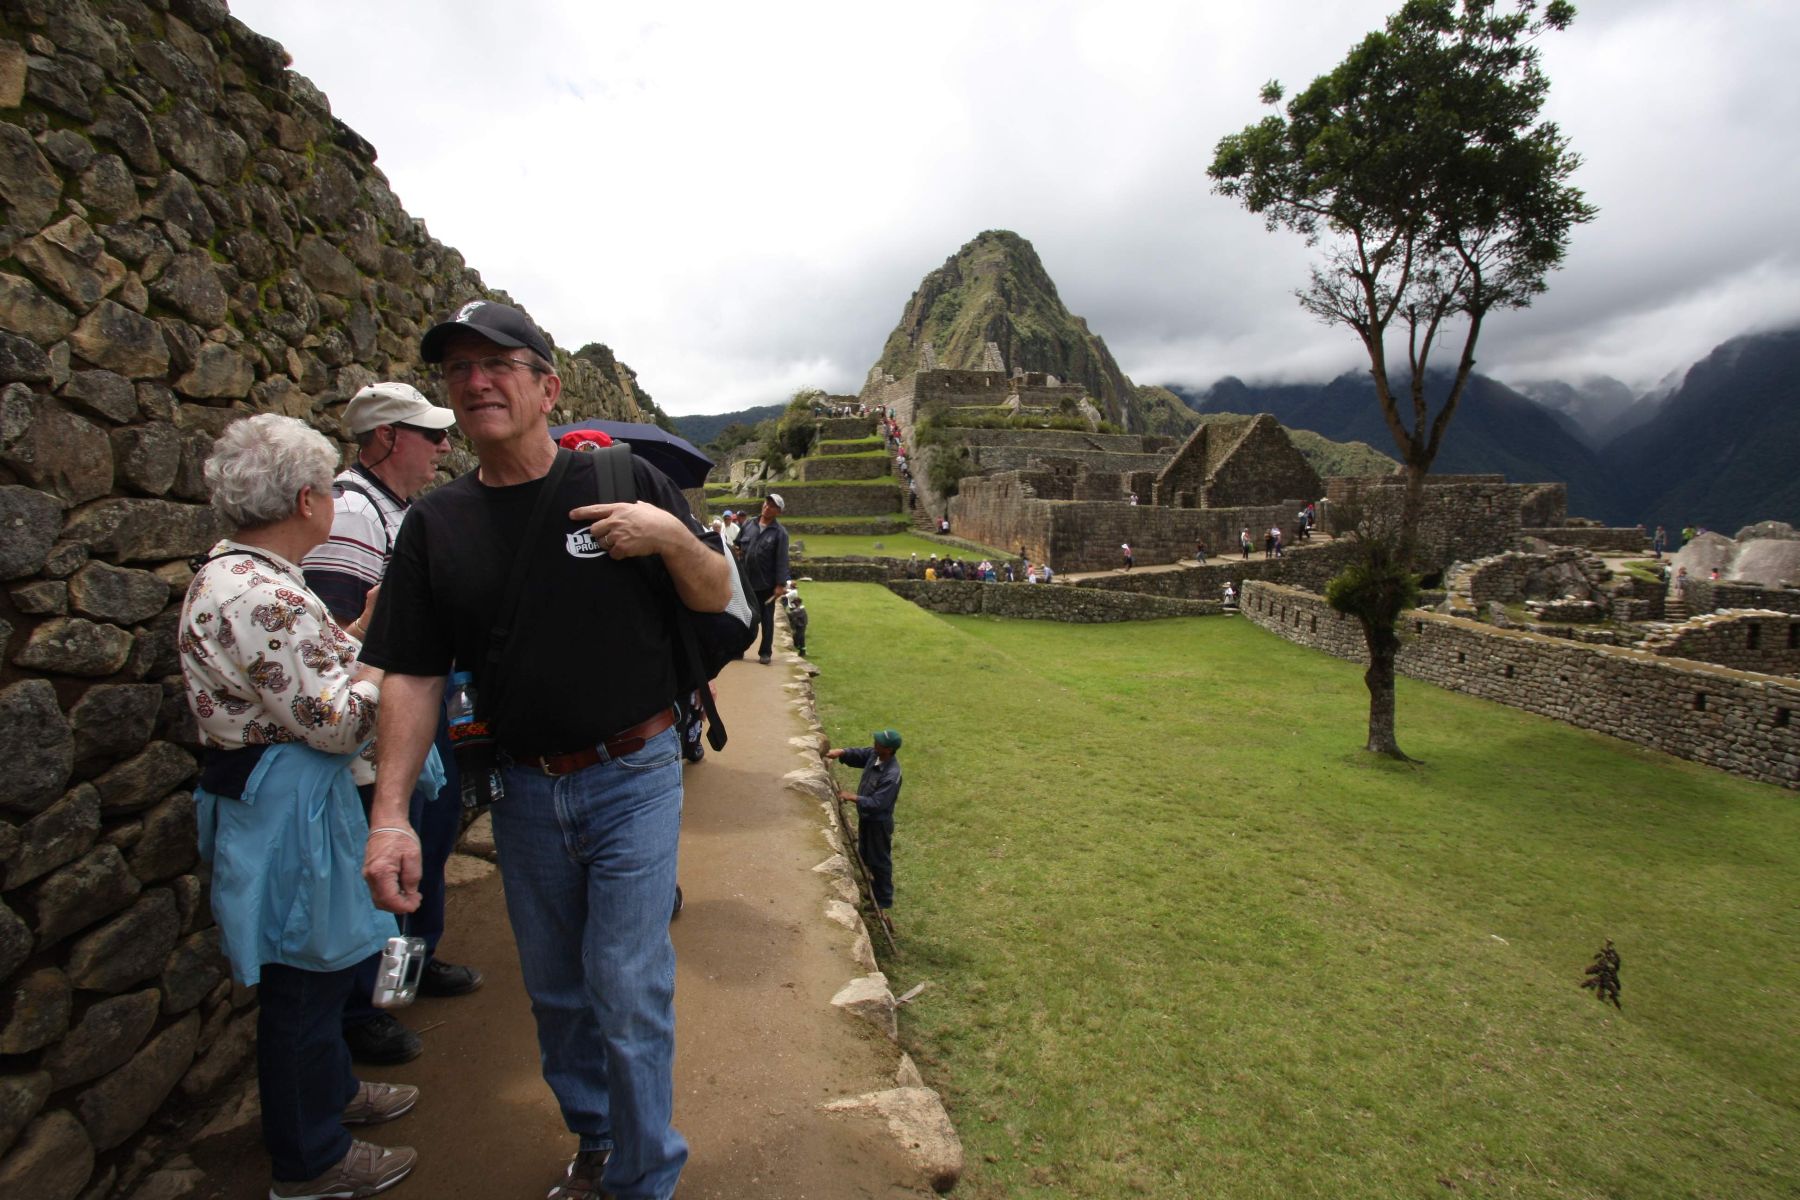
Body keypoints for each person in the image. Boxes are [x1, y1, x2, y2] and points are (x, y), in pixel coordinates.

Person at [360, 300, 731, 1200]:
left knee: (625, 979)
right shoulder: (434, 528)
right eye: (459, 370)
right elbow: (408, 674)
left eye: (499, 363)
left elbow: (718, 594)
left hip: (634, 775)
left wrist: (672, 535)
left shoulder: (622, 475)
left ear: (545, 385)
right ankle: (598, 1135)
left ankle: (646, 1177)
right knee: (559, 988)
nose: (477, 381)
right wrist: (392, 817)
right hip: (524, 791)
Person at [181, 414, 422, 1198]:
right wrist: (391, 664)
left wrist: (360, 632)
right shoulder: (263, 594)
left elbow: (301, 679)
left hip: (282, 798)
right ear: (307, 498)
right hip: (287, 804)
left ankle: (330, 1099)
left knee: (319, 962)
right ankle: (309, 1158)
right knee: (304, 977)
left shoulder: (248, 579)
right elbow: (333, 722)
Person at [302, 382, 482, 1068]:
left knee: (428, 847)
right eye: (429, 435)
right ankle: (365, 1008)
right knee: (387, 862)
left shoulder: (401, 512)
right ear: (384, 438)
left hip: (425, 708)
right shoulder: (351, 514)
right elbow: (344, 644)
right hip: (384, 724)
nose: (444, 447)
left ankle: (408, 972)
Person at [826, 729, 903, 920]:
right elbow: (861, 754)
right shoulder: (875, 755)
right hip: (867, 818)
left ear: (888, 749)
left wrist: (853, 797)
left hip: (878, 822)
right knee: (866, 853)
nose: (873, 744)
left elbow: (878, 803)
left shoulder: (892, 775)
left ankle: (883, 899)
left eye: (877, 743)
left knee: (879, 860)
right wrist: (842, 752)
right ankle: (874, 890)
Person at [739, 493, 790, 664]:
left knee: (767, 620)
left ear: (778, 511)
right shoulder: (748, 524)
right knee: (744, 618)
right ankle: (739, 648)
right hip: (746, 582)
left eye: (772, 506)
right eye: (766, 503)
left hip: (766, 585)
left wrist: (780, 584)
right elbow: (738, 545)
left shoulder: (780, 533)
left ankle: (765, 652)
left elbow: (782, 560)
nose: (767, 507)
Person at [786, 590, 809, 657]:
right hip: (800, 626)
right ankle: (802, 652)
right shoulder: (800, 608)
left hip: (800, 626)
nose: (794, 604)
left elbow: (790, 615)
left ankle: (802, 651)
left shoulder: (799, 610)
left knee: (798, 638)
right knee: (801, 638)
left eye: (795, 602)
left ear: (798, 602)